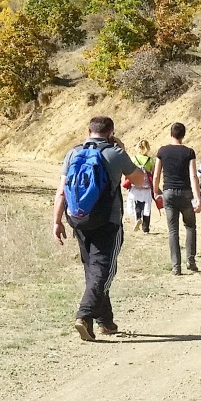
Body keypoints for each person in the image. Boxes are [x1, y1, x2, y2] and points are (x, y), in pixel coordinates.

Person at [53, 116, 147, 341]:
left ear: (88, 131)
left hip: (78, 219)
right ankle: (84, 315)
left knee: (92, 268)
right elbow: (140, 180)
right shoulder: (115, 153)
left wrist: (56, 221)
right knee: (103, 269)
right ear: (111, 132)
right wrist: (122, 151)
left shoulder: (73, 153)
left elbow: (61, 191)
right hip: (108, 221)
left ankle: (105, 321)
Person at [153, 122, 201, 275]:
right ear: (183, 135)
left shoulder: (162, 151)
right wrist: (197, 197)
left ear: (171, 134)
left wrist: (155, 191)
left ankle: (176, 266)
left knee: (173, 230)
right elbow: (193, 176)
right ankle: (191, 260)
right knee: (190, 226)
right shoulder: (189, 152)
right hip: (186, 193)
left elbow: (156, 175)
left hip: (168, 193)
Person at [126, 139, 156, 233]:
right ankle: (146, 228)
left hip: (136, 185)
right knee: (147, 206)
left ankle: (138, 218)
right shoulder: (150, 160)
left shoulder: (133, 159)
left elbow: (129, 171)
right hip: (146, 186)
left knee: (137, 204)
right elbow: (153, 173)